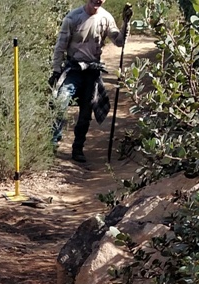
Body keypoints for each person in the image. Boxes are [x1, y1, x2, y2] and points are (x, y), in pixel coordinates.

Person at [50, 0, 133, 163]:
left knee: (86, 111)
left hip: (92, 71)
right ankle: (53, 143)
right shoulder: (73, 18)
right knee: (60, 102)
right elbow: (60, 46)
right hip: (73, 69)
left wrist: (126, 23)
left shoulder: (106, 18)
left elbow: (119, 41)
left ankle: (78, 148)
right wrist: (55, 70)